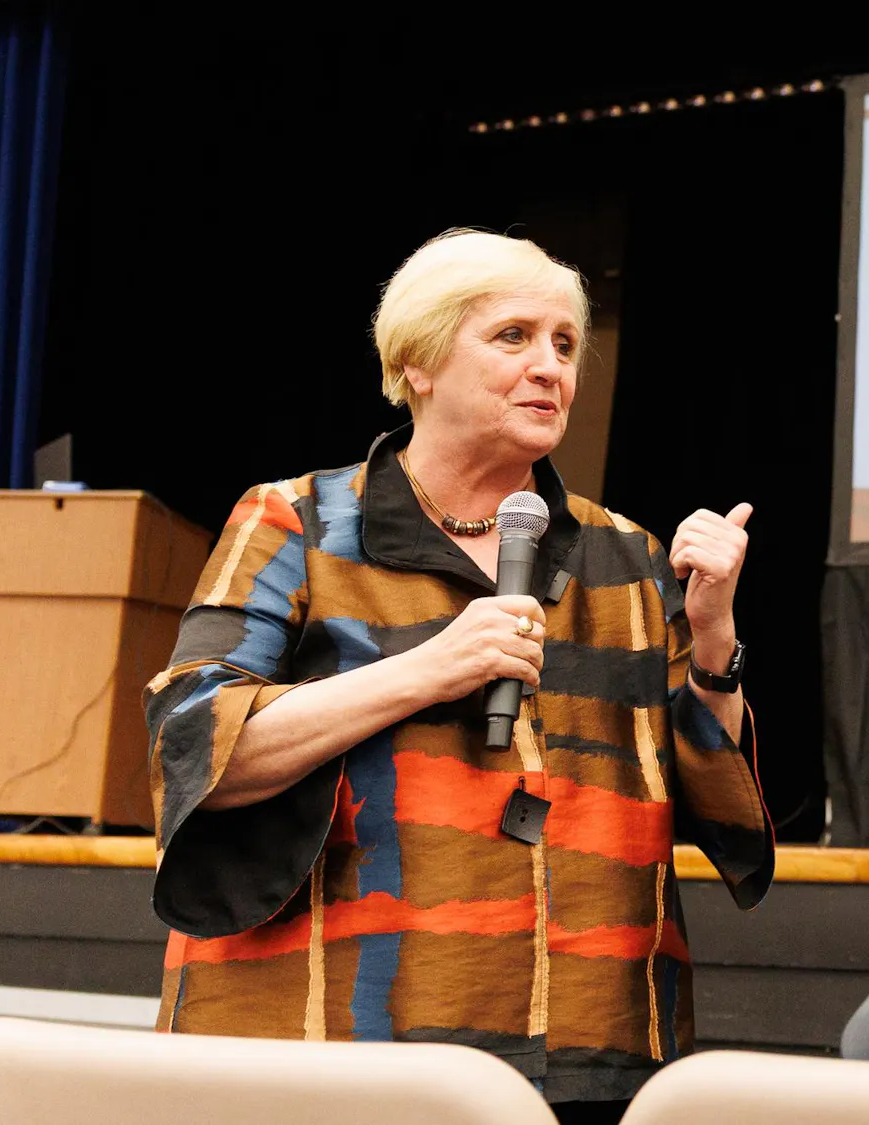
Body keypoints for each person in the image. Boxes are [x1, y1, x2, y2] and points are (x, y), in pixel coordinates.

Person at [143, 229, 774, 1124]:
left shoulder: (626, 555)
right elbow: (195, 745)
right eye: (512, 336)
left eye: (564, 343)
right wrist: (426, 669)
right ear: (419, 363)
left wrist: (714, 642)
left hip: (589, 1039)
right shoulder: (297, 522)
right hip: (336, 1039)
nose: (549, 366)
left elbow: (719, 807)